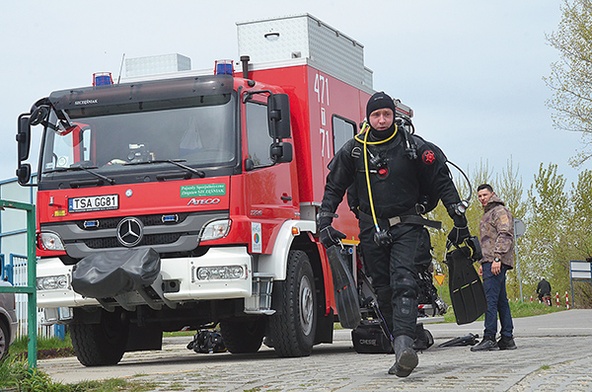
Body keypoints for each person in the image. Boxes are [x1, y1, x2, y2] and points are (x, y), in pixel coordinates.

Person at [318, 91, 472, 377]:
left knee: (404, 281)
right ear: (368, 118)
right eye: (376, 115)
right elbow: (334, 186)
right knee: (383, 289)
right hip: (371, 228)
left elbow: (441, 181)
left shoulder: (412, 147)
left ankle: (404, 347)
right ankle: (398, 347)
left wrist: (458, 216)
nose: (381, 119)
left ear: (394, 116)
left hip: (407, 225)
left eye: (386, 114)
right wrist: (324, 219)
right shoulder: (354, 150)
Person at [471, 183, 517, 351]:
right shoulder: (488, 213)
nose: (482, 198)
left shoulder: (499, 211)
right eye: (480, 196)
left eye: (485, 195)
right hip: (489, 261)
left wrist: (497, 258)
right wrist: (483, 262)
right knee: (500, 300)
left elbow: (505, 235)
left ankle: (489, 337)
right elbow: (487, 242)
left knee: (489, 300)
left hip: (496, 261)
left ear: (492, 194)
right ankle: (507, 338)